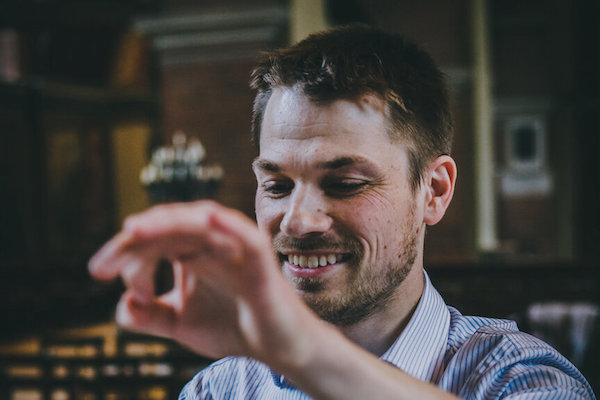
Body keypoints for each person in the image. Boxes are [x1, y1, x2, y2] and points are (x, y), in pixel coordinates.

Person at [89, 25, 595, 399]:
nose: (298, 220)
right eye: (277, 184)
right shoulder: (220, 390)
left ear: (434, 191)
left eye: (345, 184)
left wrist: (300, 350)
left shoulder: (516, 375)